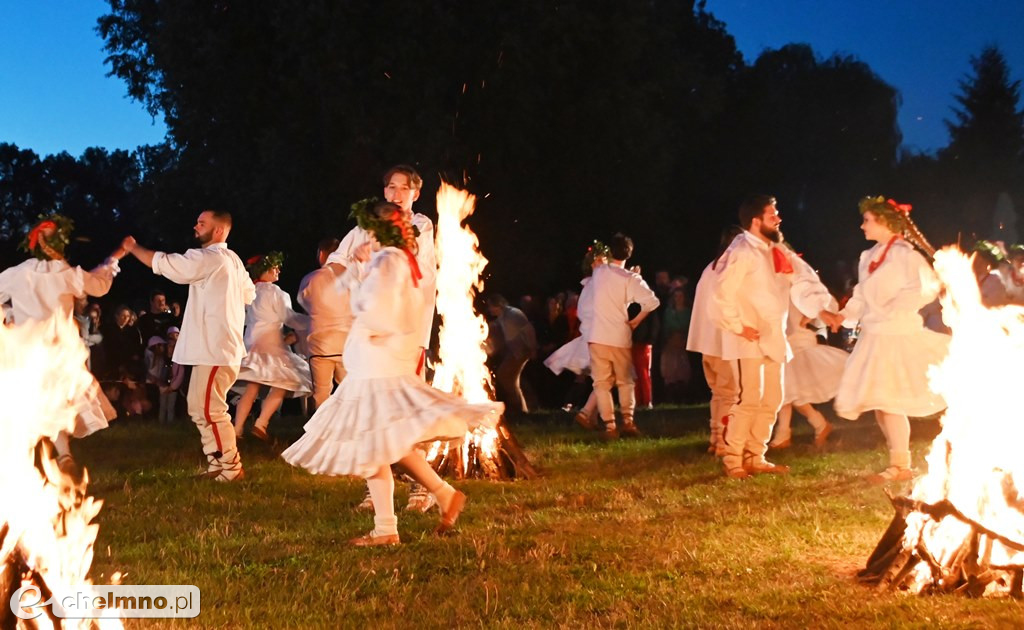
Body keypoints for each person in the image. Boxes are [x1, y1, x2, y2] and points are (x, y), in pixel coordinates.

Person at [282, 200, 502, 546]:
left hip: (377, 361)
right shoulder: (393, 260)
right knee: (386, 441)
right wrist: (357, 268)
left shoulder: (392, 261)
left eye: (368, 230)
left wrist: (372, 326)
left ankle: (387, 528)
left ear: (380, 230)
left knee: (374, 440)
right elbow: (347, 294)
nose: (363, 237)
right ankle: (441, 496)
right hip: (375, 359)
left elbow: (382, 309)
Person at [327, 166, 439, 512]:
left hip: (405, 334)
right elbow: (338, 262)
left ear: (415, 194)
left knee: (404, 410)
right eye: (390, 187)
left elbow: (407, 255)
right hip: (370, 336)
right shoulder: (364, 226)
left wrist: (371, 248)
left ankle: (424, 487)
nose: (395, 194)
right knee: (371, 413)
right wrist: (329, 286)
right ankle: (376, 488)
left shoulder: (419, 226)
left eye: (403, 189)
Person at [121, 210, 256, 482]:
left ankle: (231, 467)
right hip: (218, 348)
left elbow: (168, 264)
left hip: (216, 348)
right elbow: (249, 294)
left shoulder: (210, 258)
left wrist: (133, 248)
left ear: (218, 231)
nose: (195, 226)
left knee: (210, 409)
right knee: (198, 406)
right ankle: (218, 461)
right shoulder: (233, 261)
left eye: (202, 223)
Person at [825, 196, 948, 483]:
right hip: (875, 335)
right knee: (882, 401)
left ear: (884, 223)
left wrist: (896, 308)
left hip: (898, 335)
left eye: (867, 220)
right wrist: (843, 315)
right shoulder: (868, 257)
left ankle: (900, 466)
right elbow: (861, 295)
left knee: (890, 399)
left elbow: (925, 288)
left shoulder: (906, 255)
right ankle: (899, 462)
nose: (862, 225)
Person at [712, 196, 835, 479]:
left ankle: (756, 455)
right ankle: (733, 459)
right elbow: (722, 292)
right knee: (750, 399)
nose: (778, 219)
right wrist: (738, 326)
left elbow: (803, 278)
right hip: (748, 337)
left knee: (773, 398)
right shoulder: (742, 250)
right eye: (772, 215)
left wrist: (823, 310)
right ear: (756, 221)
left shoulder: (776, 249)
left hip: (775, 336)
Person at [0, 214, 124, 470]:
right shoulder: (67, 274)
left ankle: (31, 458)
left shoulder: (18, 273)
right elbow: (99, 285)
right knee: (54, 403)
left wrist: (9, 317)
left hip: (26, 355)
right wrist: (113, 260)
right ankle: (63, 455)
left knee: (26, 406)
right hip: (59, 355)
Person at [580, 233, 660, 439]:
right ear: (630, 253)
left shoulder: (599, 273)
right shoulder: (630, 279)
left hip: (597, 336)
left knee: (601, 383)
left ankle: (609, 425)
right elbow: (652, 302)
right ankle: (628, 421)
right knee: (625, 381)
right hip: (618, 336)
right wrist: (635, 320)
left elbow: (601, 268)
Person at [232, 251, 312, 441]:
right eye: (273, 267)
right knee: (285, 381)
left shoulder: (248, 293)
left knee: (253, 387)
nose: (278, 270)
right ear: (263, 271)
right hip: (271, 345)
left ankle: (237, 429)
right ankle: (261, 423)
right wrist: (312, 321)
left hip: (251, 344)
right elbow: (288, 317)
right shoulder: (276, 293)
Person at [769, 256, 845, 449]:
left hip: (797, 343)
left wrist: (809, 315)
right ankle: (811, 426)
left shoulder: (797, 288)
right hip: (787, 342)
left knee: (787, 390)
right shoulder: (776, 288)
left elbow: (827, 303)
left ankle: (787, 433)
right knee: (789, 390)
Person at [687, 227, 744, 455]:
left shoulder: (709, 268)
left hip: (706, 344)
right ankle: (723, 441)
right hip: (723, 343)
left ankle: (714, 438)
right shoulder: (729, 269)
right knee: (730, 393)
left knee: (718, 393)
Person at [545, 241, 609, 429]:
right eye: (600, 262)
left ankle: (593, 417)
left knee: (600, 378)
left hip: (594, 335)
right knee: (605, 378)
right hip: (596, 337)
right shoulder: (593, 285)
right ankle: (586, 413)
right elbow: (587, 312)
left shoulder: (593, 285)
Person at [297, 237, 352, 410]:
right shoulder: (353, 278)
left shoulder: (311, 279)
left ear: (322, 254)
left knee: (321, 392)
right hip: (347, 342)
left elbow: (304, 302)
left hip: (320, 342)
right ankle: (350, 426)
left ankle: (322, 430)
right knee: (348, 390)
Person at [485, 294, 538, 414]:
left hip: (521, 351)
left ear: (498, 305)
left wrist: (533, 348)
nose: (489, 309)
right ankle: (520, 409)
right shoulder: (503, 316)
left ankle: (519, 405)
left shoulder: (513, 314)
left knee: (504, 375)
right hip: (515, 351)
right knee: (510, 380)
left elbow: (529, 330)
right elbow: (495, 328)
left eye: (491, 306)